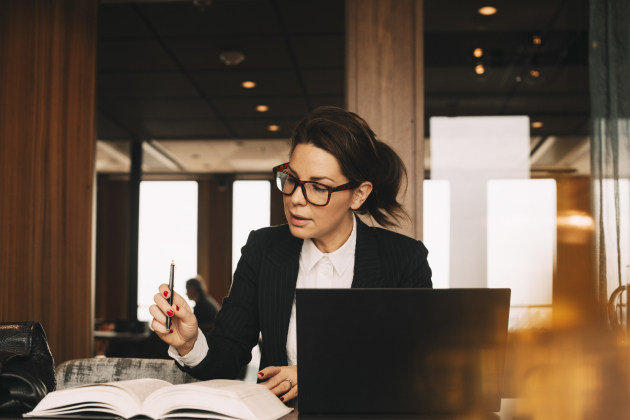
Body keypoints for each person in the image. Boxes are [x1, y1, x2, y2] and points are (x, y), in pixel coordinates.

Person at [149, 106, 433, 403]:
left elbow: (412, 367)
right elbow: (229, 353)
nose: (296, 198)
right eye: (292, 179)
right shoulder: (263, 248)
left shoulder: (403, 259)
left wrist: (317, 373)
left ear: (359, 194)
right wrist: (190, 344)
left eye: (318, 187)